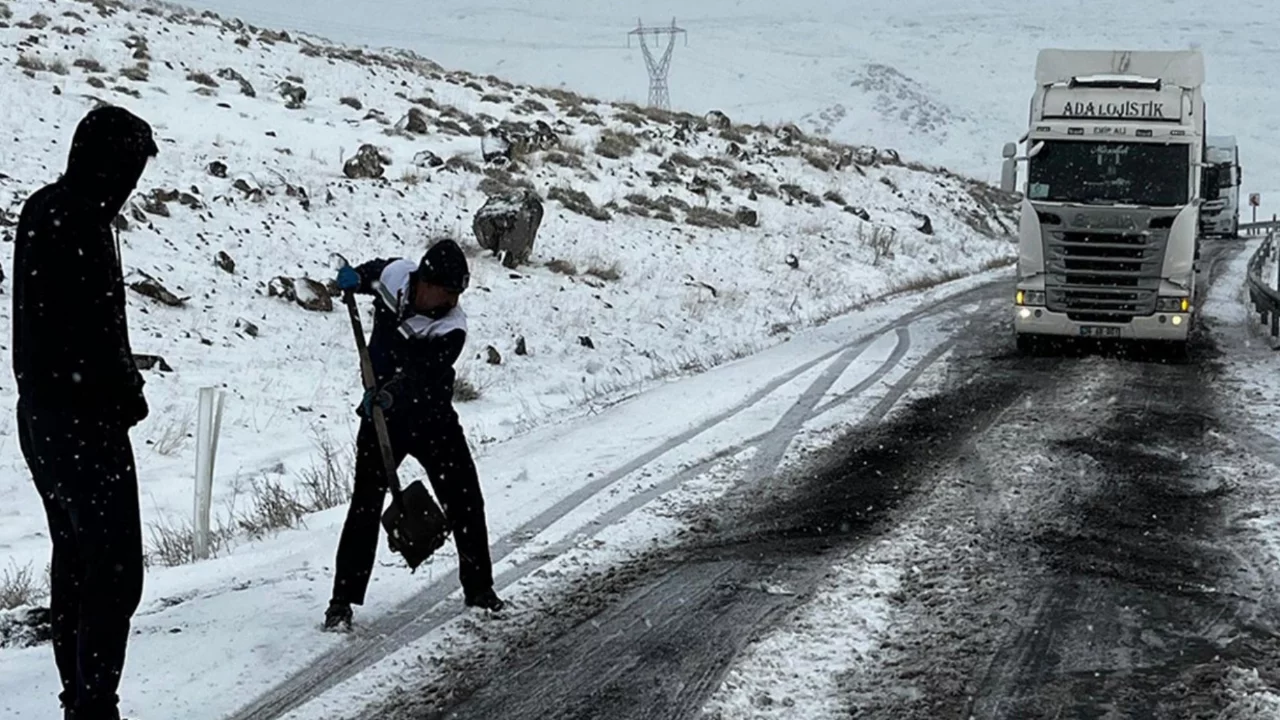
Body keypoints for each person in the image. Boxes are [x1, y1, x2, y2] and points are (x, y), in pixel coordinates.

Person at [12, 106, 158, 720]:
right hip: (83, 423)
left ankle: (81, 698)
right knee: (113, 570)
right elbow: (95, 332)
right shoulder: (82, 222)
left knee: (74, 561)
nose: (130, 189)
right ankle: (94, 704)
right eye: (127, 173)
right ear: (107, 166)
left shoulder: (43, 208)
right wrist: (127, 391)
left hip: (43, 418)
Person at [326, 238, 504, 630]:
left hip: (432, 420)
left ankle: (479, 589)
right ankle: (341, 602)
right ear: (425, 281)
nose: (453, 300)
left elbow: (423, 376)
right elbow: (371, 274)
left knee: (465, 500)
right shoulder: (395, 276)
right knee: (364, 506)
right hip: (381, 418)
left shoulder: (451, 327)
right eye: (448, 290)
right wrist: (353, 279)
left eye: (458, 293)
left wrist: (389, 392)